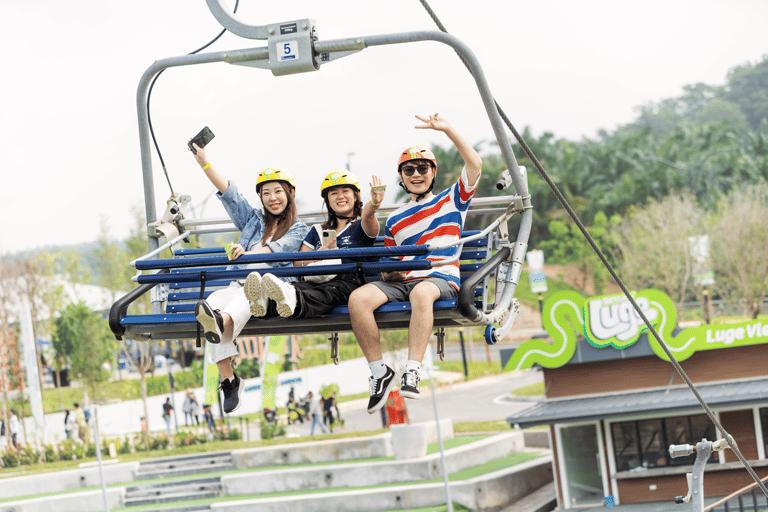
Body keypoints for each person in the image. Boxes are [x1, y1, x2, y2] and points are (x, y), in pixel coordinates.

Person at [348, 113, 482, 414]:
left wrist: (447, 129)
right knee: (358, 299)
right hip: (406, 282)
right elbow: (390, 263)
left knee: (422, 292)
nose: (416, 174)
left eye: (423, 168)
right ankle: (380, 372)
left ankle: (412, 370)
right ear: (403, 177)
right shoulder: (395, 219)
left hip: (439, 279)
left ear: (433, 173)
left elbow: (475, 165)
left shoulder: (452, 200)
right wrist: (390, 272)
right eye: (409, 170)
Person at [189, 141, 309, 415]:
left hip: (268, 289)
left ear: (289, 194)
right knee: (212, 302)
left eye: (278, 191)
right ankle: (228, 374)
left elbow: (276, 251)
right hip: (239, 284)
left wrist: (246, 253)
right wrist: (204, 163)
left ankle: (228, 375)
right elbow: (231, 195)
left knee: (242, 300)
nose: (272, 197)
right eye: (266, 193)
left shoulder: (299, 229)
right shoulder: (254, 221)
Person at [243, 170, 383, 320]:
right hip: (318, 277)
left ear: (356, 196)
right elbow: (298, 263)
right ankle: (264, 304)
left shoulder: (361, 225)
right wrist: (318, 256)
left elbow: (368, 215)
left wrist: (374, 204)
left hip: (348, 282)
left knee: (328, 292)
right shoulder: (317, 230)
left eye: (345, 191)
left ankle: (284, 298)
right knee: (302, 288)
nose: (340, 196)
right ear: (328, 200)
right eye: (333, 193)